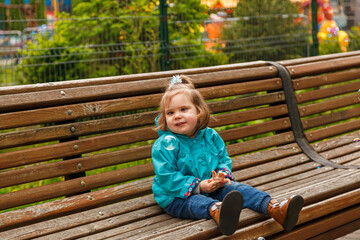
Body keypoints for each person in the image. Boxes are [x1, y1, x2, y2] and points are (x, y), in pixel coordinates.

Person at [151, 75, 304, 236]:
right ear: (164, 117)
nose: (177, 116)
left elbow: (223, 159)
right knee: (198, 202)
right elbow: (165, 176)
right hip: (176, 197)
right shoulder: (164, 144)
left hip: (211, 187)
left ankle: (274, 208)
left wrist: (222, 175)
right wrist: (199, 186)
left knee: (237, 188)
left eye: (183, 109)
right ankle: (219, 211)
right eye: (170, 112)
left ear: (198, 111)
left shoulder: (210, 136)